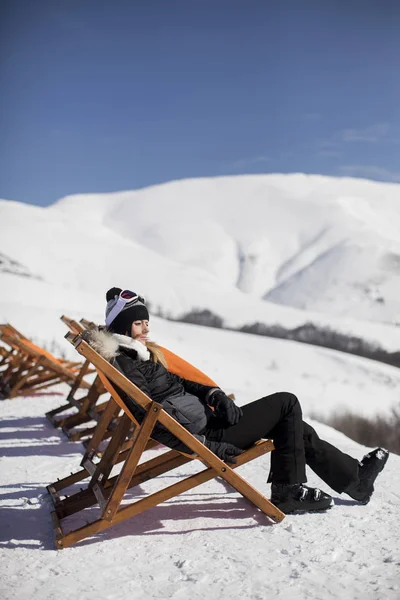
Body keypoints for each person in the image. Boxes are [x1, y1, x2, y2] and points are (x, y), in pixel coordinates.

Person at [85, 287, 389, 515]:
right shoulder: (126, 364)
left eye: (145, 322)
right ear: (123, 326)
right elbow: (153, 420)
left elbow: (177, 383)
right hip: (208, 435)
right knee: (287, 404)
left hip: (210, 420)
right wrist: (207, 445)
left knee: (294, 426)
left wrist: (211, 393)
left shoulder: (135, 356)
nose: (147, 328)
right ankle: (288, 491)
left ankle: (356, 482)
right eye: (139, 324)